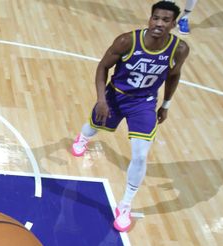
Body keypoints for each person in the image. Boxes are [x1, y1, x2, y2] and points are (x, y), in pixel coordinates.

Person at [70, 1, 189, 232]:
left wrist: (165, 104)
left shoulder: (179, 49)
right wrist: (101, 99)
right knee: (93, 127)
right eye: (156, 18)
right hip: (116, 95)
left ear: (173, 24)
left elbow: (174, 76)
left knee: (141, 155)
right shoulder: (127, 40)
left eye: (165, 20)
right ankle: (82, 138)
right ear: (149, 19)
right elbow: (102, 67)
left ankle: (124, 205)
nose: (159, 23)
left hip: (143, 103)